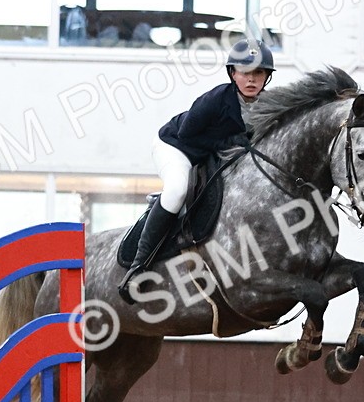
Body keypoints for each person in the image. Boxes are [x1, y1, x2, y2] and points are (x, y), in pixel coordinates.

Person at [117, 38, 275, 303]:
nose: (251, 79)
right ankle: (138, 266)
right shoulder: (216, 99)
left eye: (258, 73)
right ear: (233, 74)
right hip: (176, 146)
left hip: (212, 155)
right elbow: (187, 133)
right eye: (245, 72)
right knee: (177, 190)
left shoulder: (269, 104)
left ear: (266, 77)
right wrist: (227, 143)